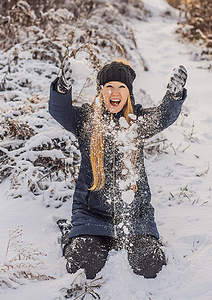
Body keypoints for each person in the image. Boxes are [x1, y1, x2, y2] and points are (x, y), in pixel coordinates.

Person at [49, 59, 187, 279]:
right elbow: (59, 111)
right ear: (101, 91)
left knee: (150, 265)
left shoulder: (137, 121)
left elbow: (163, 116)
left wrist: (174, 96)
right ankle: (71, 233)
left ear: (129, 92)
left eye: (121, 87)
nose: (115, 92)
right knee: (82, 266)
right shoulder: (86, 121)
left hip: (136, 217)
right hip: (91, 216)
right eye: (109, 86)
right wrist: (62, 89)